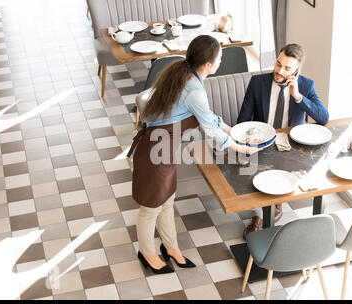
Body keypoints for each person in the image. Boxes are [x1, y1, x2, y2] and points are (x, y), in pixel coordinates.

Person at [127, 35, 260, 274]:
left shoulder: (185, 73)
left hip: (164, 151)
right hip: (155, 152)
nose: (221, 61)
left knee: (166, 201)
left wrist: (233, 131)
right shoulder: (194, 88)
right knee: (151, 208)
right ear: (208, 64)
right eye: (219, 58)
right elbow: (209, 128)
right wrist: (239, 146)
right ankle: (146, 253)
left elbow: (208, 117)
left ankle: (171, 248)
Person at [237, 43, 329, 239]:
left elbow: (323, 118)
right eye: (278, 64)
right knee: (253, 176)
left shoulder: (306, 85)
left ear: (297, 70)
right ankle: (267, 211)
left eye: (287, 68)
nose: (279, 71)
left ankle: (271, 211)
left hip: (292, 148)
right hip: (263, 144)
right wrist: (251, 141)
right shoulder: (257, 82)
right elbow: (242, 121)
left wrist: (297, 97)